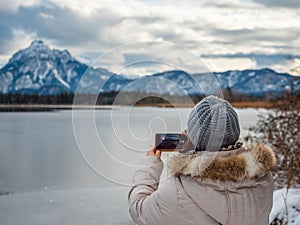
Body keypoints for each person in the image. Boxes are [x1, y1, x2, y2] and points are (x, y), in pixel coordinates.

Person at [128, 95, 276, 225]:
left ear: (191, 138)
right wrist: (195, 152)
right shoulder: (263, 179)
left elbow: (139, 211)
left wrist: (150, 164)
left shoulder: (177, 190)